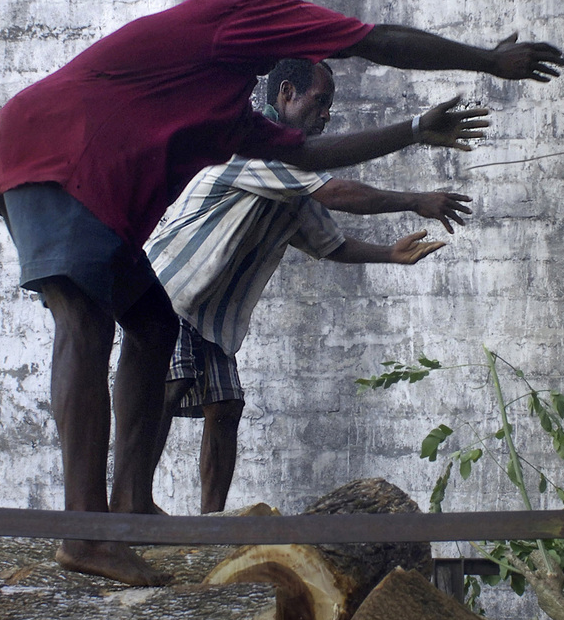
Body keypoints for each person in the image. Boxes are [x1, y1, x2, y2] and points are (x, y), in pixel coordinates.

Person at [0, 0, 564, 584]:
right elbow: (372, 40)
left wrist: (417, 130)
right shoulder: (240, 9)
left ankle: (126, 507)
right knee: (85, 319)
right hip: (53, 152)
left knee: (151, 328)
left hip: (93, 192)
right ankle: (84, 531)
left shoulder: (226, 106)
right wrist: (486, 60)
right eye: (316, 96)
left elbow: (308, 158)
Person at [146, 58, 471, 513]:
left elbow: (328, 242)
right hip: (171, 290)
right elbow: (334, 193)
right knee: (169, 385)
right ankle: (132, 499)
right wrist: (416, 200)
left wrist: (388, 253)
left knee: (225, 407)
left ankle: (211, 523)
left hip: (209, 311)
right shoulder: (257, 145)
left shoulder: (291, 177)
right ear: (285, 94)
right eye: (320, 102)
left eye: (329, 106)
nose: (326, 115)